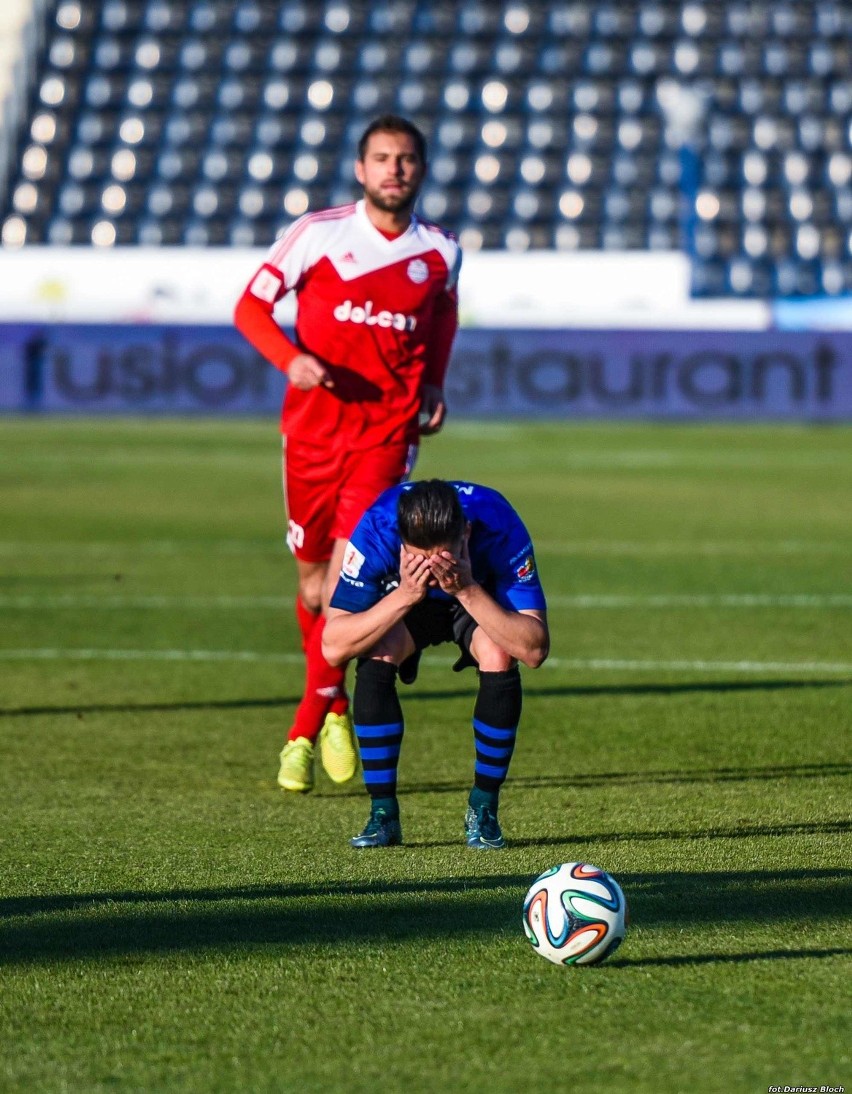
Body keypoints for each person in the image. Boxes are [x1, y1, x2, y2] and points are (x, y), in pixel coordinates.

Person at [233, 116, 462, 794]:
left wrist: (434, 384)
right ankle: (334, 705)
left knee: (340, 588)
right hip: (309, 436)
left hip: (387, 438)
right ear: (361, 170)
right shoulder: (319, 234)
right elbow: (250, 308)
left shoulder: (441, 252)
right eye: (383, 158)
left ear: (421, 169)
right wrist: (290, 358)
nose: (395, 169)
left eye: (407, 159)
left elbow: (443, 318)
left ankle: (300, 733)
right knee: (311, 586)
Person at [322, 478, 549, 850]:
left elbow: (535, 649)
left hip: (476, 595)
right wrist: (408, 593)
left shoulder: (498, 523)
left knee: (500, 653)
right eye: (418, 558)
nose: (432, 569)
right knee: (377, 650)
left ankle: (484, 807)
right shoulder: (379, 525)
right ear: (401, 541)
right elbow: (333, 645)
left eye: (443, 556)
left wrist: (465, 588)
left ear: (467, 534)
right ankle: (383, 814)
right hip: (408, 602)